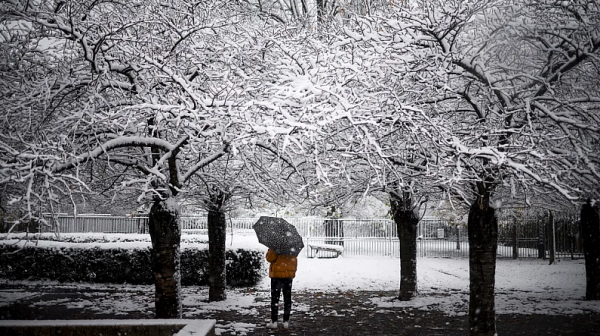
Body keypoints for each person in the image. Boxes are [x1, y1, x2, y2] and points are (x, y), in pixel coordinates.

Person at [265, 248, 297, 330]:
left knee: (275, 299)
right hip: (288, 276)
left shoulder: (275, 246)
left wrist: (270, 250)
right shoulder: (292, 247)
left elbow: (269, 258)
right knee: (287, 298)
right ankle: (286, 321)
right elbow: (294, 262)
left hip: (277, 276)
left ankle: (274, 321)